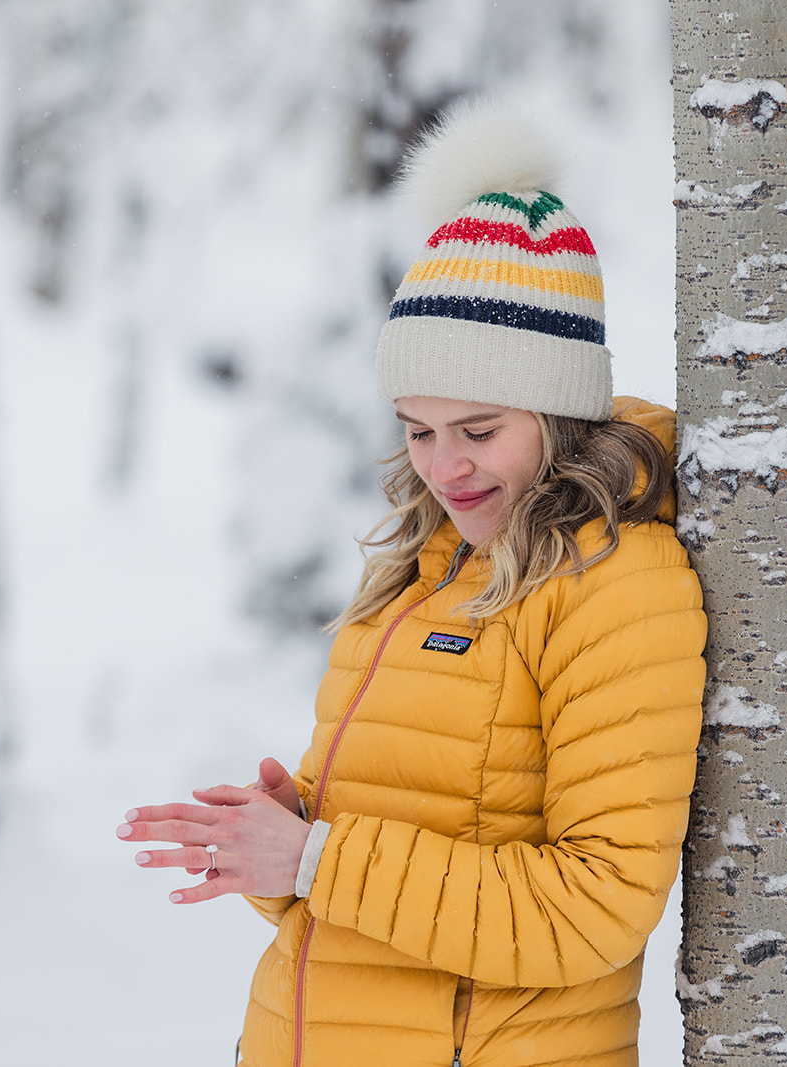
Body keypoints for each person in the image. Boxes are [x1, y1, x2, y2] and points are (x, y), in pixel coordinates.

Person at [118, 102, 707, 1067]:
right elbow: (395, 874)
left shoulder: (616, 583)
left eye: (480, 430)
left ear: (561, 412)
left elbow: (593, 908)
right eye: (417, 428)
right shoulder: (426, 568)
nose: (445, 468)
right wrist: (287, 839)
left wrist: (317, 858)